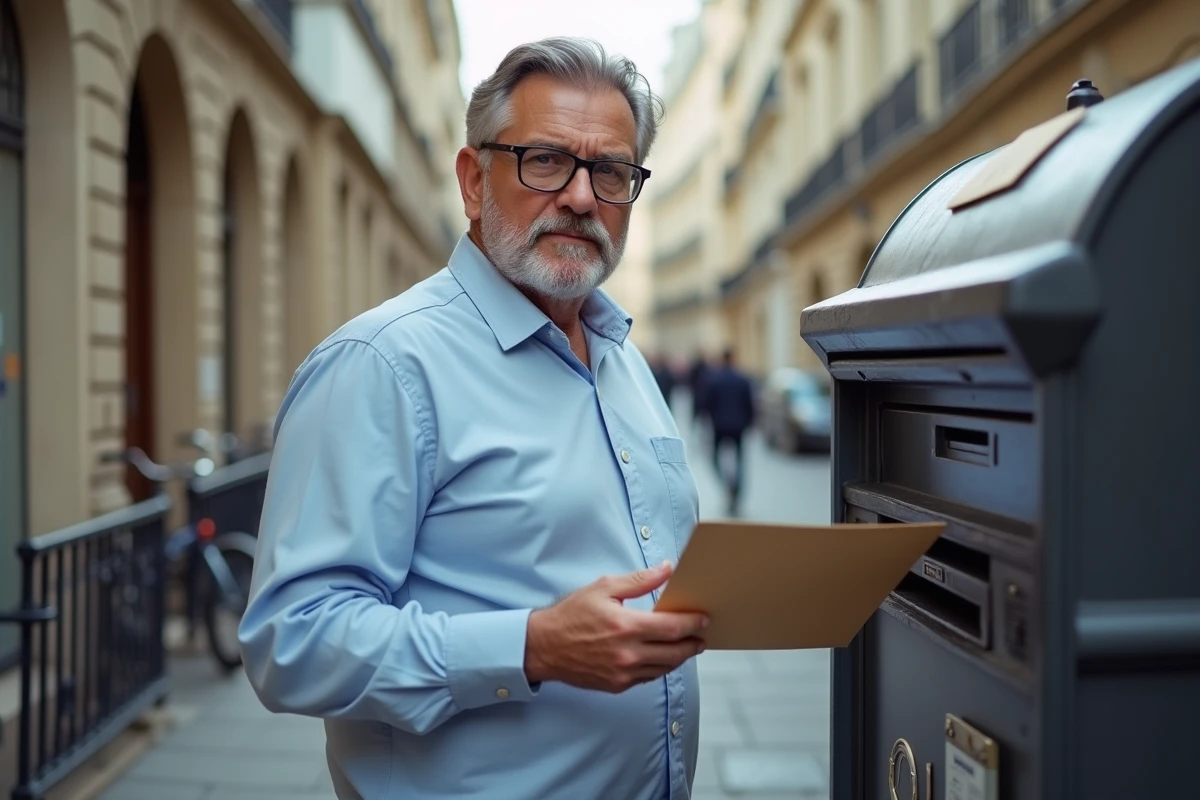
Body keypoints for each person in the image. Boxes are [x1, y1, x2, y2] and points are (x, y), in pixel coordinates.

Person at [238, 37, 707, 800]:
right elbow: (291, 641)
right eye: (546, 160)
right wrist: (531, 648)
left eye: (611, 172)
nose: (583, 198)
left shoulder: (623, 359)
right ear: (471, 177)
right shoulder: (382, 364)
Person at [704, 348, 756, 516]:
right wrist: (749, 423)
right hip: (738, 426)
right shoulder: (743, 379)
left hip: (719, 426)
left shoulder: (714, 379)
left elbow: (707, 404)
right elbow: (750, 404)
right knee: (740, 461)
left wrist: (710, 420)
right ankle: (736, 489)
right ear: (733, 359)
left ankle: (728, 485)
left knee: (714, 460)